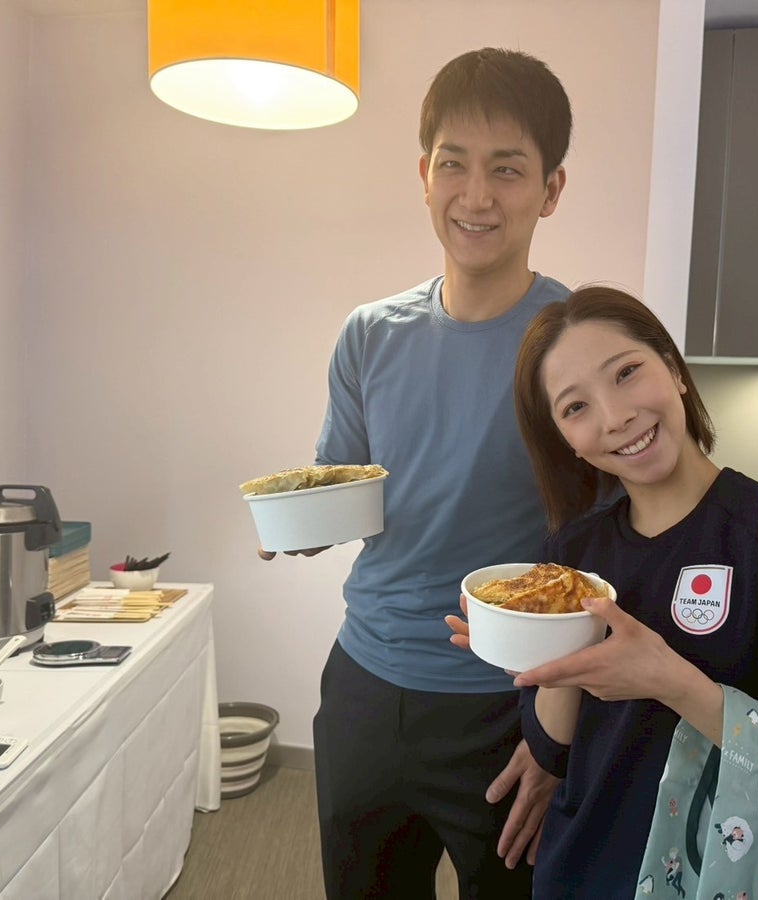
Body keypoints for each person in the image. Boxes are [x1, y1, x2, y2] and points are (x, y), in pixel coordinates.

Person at [449, 285, 758, 897]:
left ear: (675, 370)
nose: (615, 417)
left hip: (724, 880)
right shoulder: (572, 557)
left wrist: (670, 680)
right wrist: (545, 651)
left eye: (626, 373)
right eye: (575, 407)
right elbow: (553, 753)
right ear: (563, 439)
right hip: (581, 874)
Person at [260, 48, 573, 898]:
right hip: (365, 682)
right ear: (424, 175)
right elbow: (345, 490)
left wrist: (557, 735)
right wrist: (299, 525)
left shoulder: (574, 343)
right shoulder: (369, 334)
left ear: (550, 189)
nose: (476, 196)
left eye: (507, 169)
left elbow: (610, 551)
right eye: (453, 164)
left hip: (506, 699)